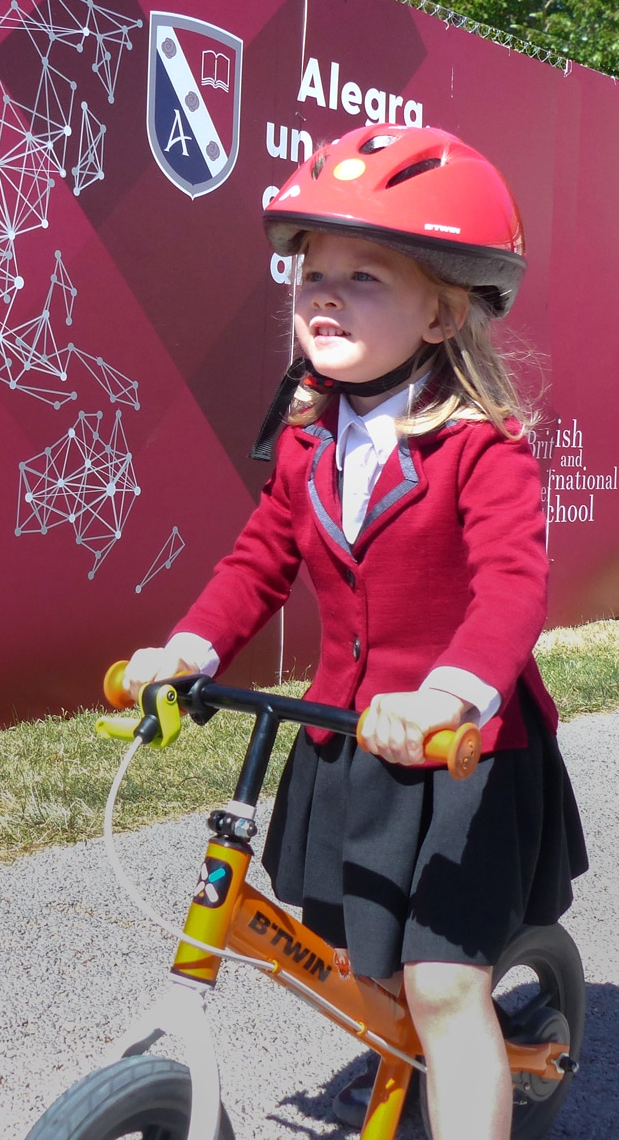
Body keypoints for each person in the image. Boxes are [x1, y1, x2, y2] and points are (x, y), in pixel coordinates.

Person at [122, 124, 587, 1139]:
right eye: (310, 273)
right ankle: (398, 1054)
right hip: (350, 744)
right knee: (354, 949)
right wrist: (189, 649)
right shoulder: (308, 437)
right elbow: (260, 560)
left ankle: (459, 1067)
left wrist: (451, 692)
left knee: (444, 984)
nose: (322, 295)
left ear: (442, 308)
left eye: (363, 277)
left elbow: (512, 584)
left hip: (461, 754)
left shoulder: (482, 448)